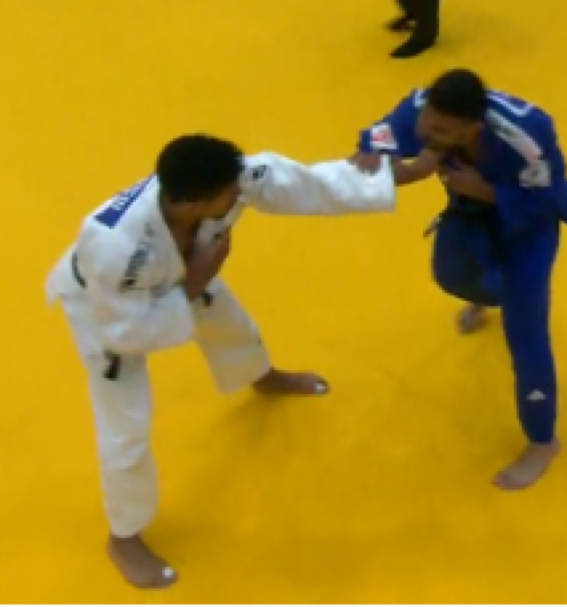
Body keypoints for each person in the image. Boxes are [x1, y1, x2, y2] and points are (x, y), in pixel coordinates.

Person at [46, 134, 396, 588]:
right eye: (231, 196)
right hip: (108, 312)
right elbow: (128, 333)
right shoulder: (114, 244)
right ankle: (124, 537)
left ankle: (262, 377)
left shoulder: (217, 181)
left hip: (180, 273)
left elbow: (296, 183)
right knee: (126, 428)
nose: (239, 198)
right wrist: (196, 280)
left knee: (229, 322)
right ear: (196, 204)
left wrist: (379, 179)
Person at [351, 69, 567, 489]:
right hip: (468, 211)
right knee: (450, 275)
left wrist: (487, 191)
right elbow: (382, 137)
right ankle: (493, 293)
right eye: (427, 125)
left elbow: (545, 199)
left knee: (526, 331)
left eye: (441, 132)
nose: (428, 135)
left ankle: (542, 440)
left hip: (528, 229)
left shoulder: (529, 133)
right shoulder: (423, 110)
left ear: (471, 128)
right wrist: (373, 155)